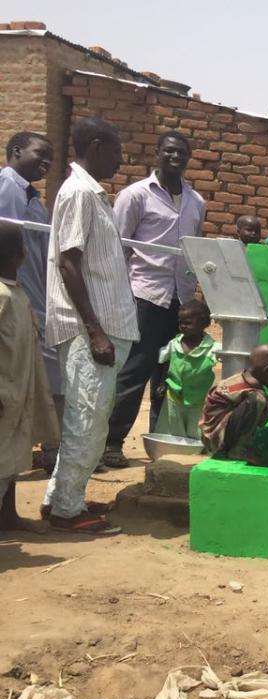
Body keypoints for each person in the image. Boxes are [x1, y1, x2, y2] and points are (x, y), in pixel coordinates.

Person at [41, 118, 137, 536]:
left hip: (102, 326)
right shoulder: (79, 192)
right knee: (87, 419)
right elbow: (69, 263)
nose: (120, 160)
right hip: (90, 330)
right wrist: (95, 330)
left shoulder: (92, 194)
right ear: (96, 147)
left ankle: (61, 497)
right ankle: (67, 511)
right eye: (116, 151)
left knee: (89, 417)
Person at [102, 131, 207, 467]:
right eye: (169, 151)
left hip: (181, 300)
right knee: (135, 369)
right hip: (145, 295)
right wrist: (117, 296)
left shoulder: (196, 201)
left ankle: (162, 442)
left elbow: (194, 251)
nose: (175, 157)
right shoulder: (135, 195)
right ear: (158, 153)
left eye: (181, 153)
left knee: (171, 374)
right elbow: (118, 248)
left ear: (188, 158)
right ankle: (111, 442)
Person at [0, 131, 59, 470]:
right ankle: (50, 449)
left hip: (34, 295)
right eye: (40, 153)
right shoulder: (9, 187)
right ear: (16, 151)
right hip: (19, 294)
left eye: (51, 156)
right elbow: (7, 243)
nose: (46, 161)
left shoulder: (30, 195)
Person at [0, 222, 58, 532]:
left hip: (18, 392)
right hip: (4, 394)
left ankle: (7, 516)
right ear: (20, 254)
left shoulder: (16, 292)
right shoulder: (3, 295)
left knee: (13, 456)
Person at [201, 344, 268, 462]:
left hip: (220, 434)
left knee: (258, 399)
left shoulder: (247, 381)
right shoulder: (252, 394)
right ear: (267, 371)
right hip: (215, 438)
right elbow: (262, 421)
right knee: (258, 399)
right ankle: (237, 450)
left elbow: (259, 416)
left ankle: (241, 447)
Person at [153, 300, 220, 439]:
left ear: (203, 323)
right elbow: (166, 362)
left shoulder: (212, 348)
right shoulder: (174, 344)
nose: (182, 326)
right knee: (173, 430)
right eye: (180, 323)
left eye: (188, 323)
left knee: (197, 432)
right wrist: (163, 383)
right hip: (174, 396)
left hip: (199, 398)